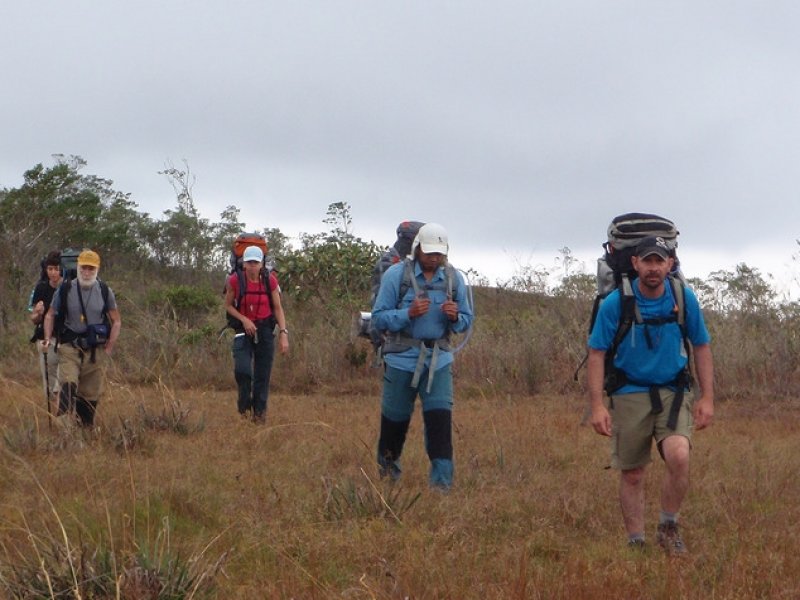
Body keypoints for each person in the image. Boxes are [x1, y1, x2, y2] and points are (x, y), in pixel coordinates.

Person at [587, 235, 714, 554]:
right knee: (633, 472)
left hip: (673, 391)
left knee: (679, 456)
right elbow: (597, 353)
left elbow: (701, 345)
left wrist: (707, 397)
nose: (653, 268)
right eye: (648, 261)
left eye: (660, 260)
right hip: (629, 392)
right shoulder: (617, 302)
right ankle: (636, 543)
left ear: (670, 264)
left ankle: (668, 527)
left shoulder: (683, 298)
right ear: (635, 263)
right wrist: (597, 406)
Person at [371, 223, 474, 491]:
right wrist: (408, 314)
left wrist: (455, 317)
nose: (434, 259)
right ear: (417, 249)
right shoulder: (396, 276)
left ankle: (441, 487)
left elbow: (466, 321)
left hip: (439, 361)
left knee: (440, 425)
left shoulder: (454, 279)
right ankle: (388, 482)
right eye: (429, 253)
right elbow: (379, 318)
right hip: (400, 359)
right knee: (394, 423)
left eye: (439, 254)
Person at [43, 249, 122, 427]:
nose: (87, 273)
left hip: (95, 349)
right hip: (69, 346)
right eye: (83, 268)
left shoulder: (104, 290)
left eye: (91, 269)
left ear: (97, 270)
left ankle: (85, 428)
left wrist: (109, 346)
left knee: (90, 393)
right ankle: (63, 430)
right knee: (67, 385)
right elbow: (50, 315)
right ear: (78, 268)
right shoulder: (65, 289)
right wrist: (48, 338)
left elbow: (116, 320)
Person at [224, 245, 289, 423]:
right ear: (243, 264)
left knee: (263, 374)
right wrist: (244, 320)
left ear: (262, 264)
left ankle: (259, 416)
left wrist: (283, 333)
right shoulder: (235, 281)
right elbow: (228, 305)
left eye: (255, 262)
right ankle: (244, 405)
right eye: (249, 262)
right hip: (242, 330)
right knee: (243, 371)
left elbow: (277, 308)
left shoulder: (270, 281)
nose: (252, 266)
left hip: (265, 330)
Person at [28, 250, 63, 410]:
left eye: (56, 269)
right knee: (49, 380)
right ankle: (54, 416)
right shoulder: (41, 288)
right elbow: (34, 319)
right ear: (46, 270)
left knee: (63, 379)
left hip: (66, 338)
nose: (53, 273)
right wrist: (37, 313)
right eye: (50, 269)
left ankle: (64, 412)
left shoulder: (68, 287)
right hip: (46, 338)